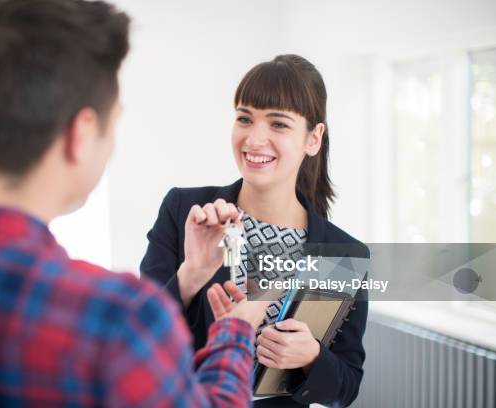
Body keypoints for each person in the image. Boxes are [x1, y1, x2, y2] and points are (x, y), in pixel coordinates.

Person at [0, 0, 270, 406]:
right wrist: (234, 332)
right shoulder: (114, 321)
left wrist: (191, 275)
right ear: (82, 133)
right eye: (113, 123)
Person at [141, 55, 370, 408]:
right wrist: (190, 275)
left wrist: (312, 358)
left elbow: (347, 386)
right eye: (244, 118)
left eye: (278, 124)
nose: (254, 138)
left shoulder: (341, 254)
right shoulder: (185, 212)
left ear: (313, 139)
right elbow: (139, 336)